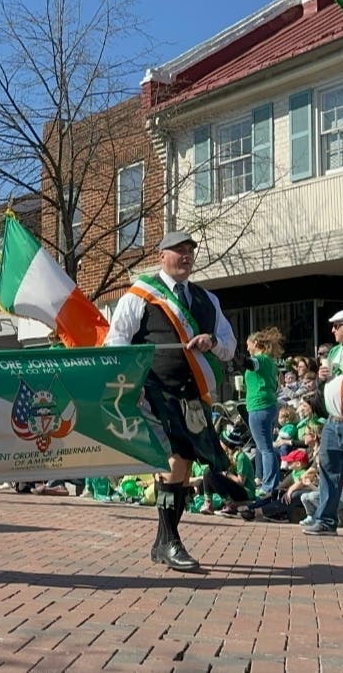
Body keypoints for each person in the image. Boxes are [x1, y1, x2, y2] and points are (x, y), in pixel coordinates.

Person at [105, 230, 237, 571]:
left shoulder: (207, 300)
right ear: (162, 255)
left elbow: (229, 346)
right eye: (178, 250)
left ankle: (163, 542)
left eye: (190, 250)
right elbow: (116, 342)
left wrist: (211, 342)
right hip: (154, 392)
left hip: (193, 396)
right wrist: (129, 385)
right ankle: (171, 541)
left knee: (184, 465)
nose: (186, 255)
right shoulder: (140, 295)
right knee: (174, 461)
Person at [302, 310, 343, 535]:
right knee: (328, 471)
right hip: (332, 421)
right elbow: (326, 384)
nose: (333, 330)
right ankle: (326, 521)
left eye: (337, 325)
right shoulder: (335, 352)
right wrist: (321, 377)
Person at [242, 327, 284, 499]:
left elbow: (250, 364)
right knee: (266, 447)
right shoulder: (270, 361)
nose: (247, 348)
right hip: (269, 405)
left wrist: (233, 357)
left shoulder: (259, 359)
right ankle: (270, 481)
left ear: (255, 343)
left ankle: (269, 485)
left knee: (265, 448)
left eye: (248, 344)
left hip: (259, 406)